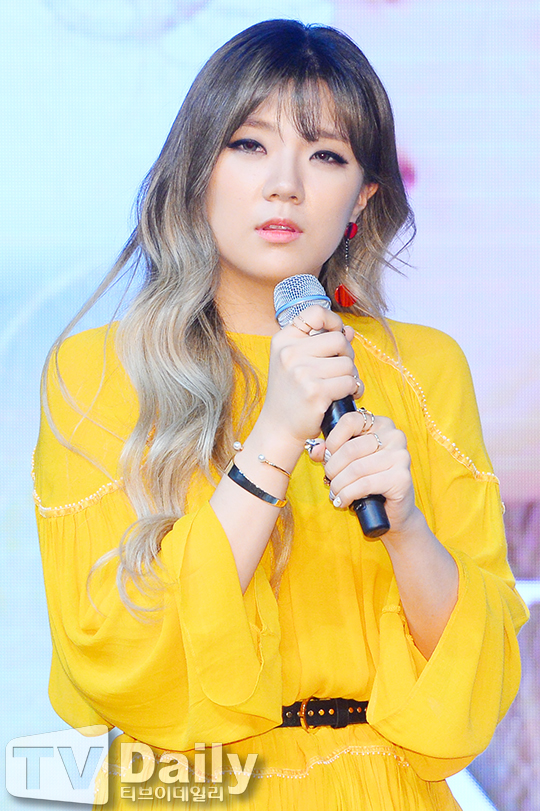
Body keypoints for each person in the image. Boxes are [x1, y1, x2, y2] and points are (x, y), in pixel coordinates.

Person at [34, 19, 529, 810]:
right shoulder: (98, 372)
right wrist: (275, 434)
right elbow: (115, 652)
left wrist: (406, 527)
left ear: (362, 196)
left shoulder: (426, 368)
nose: (285, 185)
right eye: (249, 144)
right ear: (198, 168)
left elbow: (476, 682)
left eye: (325, 155)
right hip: (196, 786)